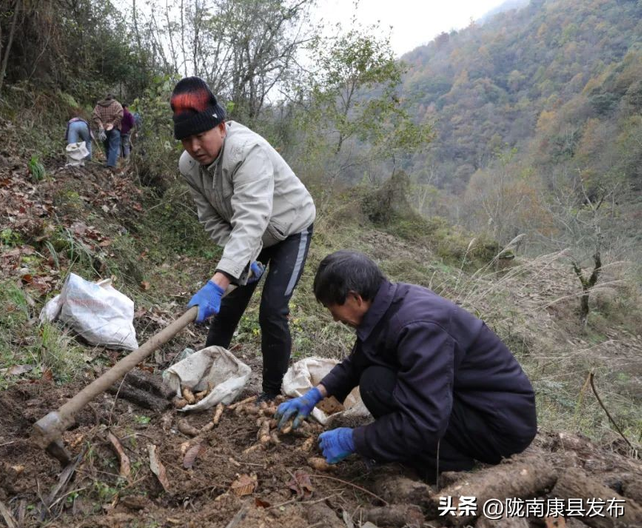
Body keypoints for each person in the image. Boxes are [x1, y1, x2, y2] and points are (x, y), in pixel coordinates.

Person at [275, 250, 537, 479]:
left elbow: (425, 420)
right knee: (375, 379)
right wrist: (314, 394)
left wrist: (354, 439)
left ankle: (449, 466)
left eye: (333, 308)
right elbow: (359, 360)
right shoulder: (388, 305)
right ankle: (421, 451)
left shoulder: (418, 328)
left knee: (377, 385)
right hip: (469, 403)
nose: (334, 318)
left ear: (355, 298)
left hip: (498, 425)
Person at [171, 76, 316, 403]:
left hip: (290, 227)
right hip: (250, 235)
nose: (194, 147)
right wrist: (240, 264)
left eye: (200, 136)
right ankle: (203, 375)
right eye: (185, 139)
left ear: (221, 127)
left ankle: (271, 392)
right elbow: (211, 219)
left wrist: (220, 279)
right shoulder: (189, 166)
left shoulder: (247, 152)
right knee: (227, 307)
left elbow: (253, 218)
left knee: (272, 310)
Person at [91, 94, 123, 169]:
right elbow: (120, 115)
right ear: (113, 98)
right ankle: (111, 164)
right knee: (114, 147)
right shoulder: (117, 104)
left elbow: (95, 116)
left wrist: (100, 125)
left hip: (104, 129)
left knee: (107, 146)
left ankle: (109, 161)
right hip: (114, 128)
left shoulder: (99, 105)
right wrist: (113, 123)